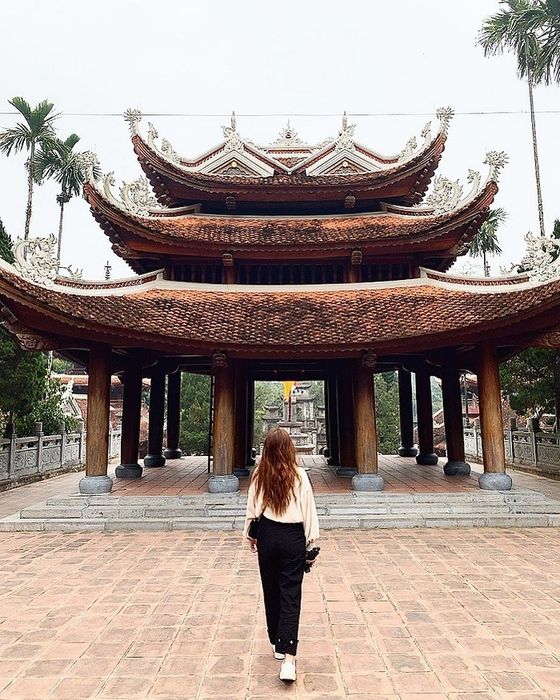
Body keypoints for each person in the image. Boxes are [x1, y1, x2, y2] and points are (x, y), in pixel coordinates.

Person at [243, 428, 320, 683]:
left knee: (271, 589)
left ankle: (277, 641)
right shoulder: (299, 475)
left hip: (268, 534)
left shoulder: (260, 474)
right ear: (289, 449)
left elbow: (253, 508)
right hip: (292, 537)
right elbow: (308, 510)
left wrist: (250, 535)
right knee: (290, 594)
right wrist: (311, 542)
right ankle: (288, 658)